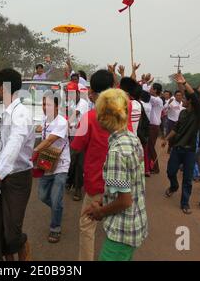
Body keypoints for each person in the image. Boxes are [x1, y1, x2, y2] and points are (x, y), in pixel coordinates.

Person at [84, 88, 147, 261]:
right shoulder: (132, 139)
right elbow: (128, 185)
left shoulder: (116, 152)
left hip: (122, 230)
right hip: (134, 223)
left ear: (102, 117)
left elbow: (124, 201)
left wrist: (101, 212)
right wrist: (104, 201)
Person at [0, 68, 35, 261]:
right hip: (2, 175)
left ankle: (23, 250)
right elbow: (3, 146)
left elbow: (15, 143)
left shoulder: (21, 113)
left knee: (13, 232)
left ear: (2, 88)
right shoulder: (8, 112)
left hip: (17, 178)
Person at [70, 69, 114, 261]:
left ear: (93, 93)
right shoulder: (123, 115)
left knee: (87, 225)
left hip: (96, 181)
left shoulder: (90, 117)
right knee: (115, 229)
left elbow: (77, 146)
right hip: (120, 183)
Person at [162, 74, 200, 214]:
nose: (182, 100)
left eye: (185, 98)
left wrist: (184, 83)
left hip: (190, 152)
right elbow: (176, 128)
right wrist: (166, 138)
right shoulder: (183, 113)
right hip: (177, 149)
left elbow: (195, 98)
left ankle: (185, 203)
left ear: (191, 101)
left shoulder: (198, 114)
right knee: (170, 171)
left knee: (187, 179)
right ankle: (174, 187)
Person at [34, 91, 70, 243]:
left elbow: (49, 141)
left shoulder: (62, 122)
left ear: (56, 107)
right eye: (43, 104)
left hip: (60, 165)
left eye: (48, 105)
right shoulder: (44, 120)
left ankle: (55, 228)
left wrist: (34, 152)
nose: (44, 107)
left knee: (55, 199)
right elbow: (39, 131)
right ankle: (58, 209)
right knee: (42, 196)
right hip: (47, 164)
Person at [66, 81, 89, 201]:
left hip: (81, 135)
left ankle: (78, 189)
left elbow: (76, 114)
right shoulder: (70, 103)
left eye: (72, 93)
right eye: (69, 93)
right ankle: (70, 181)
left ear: (78, 93)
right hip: (72, 135)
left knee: (78, 162)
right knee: (72, 160)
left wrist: (67, 122)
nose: (70, 95)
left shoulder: (83, 103)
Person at [147, 83, 164, 174]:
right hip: (152, 125)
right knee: (149, 147)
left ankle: (156, 168)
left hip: (153, 126)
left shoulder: (157, 100)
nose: (150, 89)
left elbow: (144, 94)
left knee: (151, 147)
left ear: (156, 90)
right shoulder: (156, 99)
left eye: (152, 88)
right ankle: (149, 166)